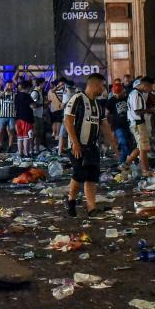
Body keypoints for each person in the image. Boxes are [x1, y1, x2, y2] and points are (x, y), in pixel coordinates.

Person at [63, 73, 108, 217]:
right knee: (79, 173)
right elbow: (68, 121)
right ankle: (71, 200)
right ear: (95, 85)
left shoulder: (98, 105)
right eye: (102, 85)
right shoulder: (77, 99)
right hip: (77, 145)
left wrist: (113, 144)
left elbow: (104, 125)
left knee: (92, 176)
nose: (103, 88)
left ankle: (91, 207)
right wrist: (75, 143)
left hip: (92, 146)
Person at [124, 77, 155, 177]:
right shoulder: (136, 94)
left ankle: (126, 164)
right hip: (137, 123)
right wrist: (151, 110)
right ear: (145, 85)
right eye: (150, 87)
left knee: (140, 146)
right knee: (143, 148)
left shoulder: (135, 93)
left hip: (135, 122)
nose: (150, 90)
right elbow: (137, 111)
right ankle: (145, 170)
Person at [14, 78, 36, 158]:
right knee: (26, 136)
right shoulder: (27, 96)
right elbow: (32, 106)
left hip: (18, 119)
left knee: (19, 137)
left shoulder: (17, 95)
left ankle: (20, 153)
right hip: (26, 118)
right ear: (27, 88)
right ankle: (26, 153)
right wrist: (35, 104)